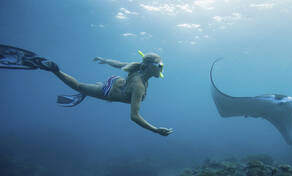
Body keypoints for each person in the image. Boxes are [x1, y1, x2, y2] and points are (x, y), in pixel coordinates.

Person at [0, 45, 173, 136]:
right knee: (78, 86)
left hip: (115, 82)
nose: (162, 68)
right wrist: (155, 130)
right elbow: (134, 116)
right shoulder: (139, 86)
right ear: (149, 67)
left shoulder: (137, 69)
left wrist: (104, 59)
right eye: (160, 65)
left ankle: (91, 89)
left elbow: (118, 64)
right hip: (109, 92)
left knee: (93, 88)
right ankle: (54, 69)